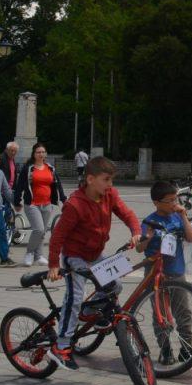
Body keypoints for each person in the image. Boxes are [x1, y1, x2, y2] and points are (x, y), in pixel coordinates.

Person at [47, 156, 142, 370]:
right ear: (90, 179)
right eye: (106, 179)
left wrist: (136, 232)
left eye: (112, 180)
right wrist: (54, 265)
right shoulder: (75, 205)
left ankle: (89, 313)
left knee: (115, 285)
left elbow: (127, 214)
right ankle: (61, 347)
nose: (110, 185)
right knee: (75, 297)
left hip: (95, 254)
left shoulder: (110, 195)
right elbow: (58, 237)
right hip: (75, 257)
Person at [139, 180, 192, 364]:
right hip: (155, 273)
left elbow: (191, 238)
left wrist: (184, 216)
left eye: (175, 199)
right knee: (159, 313)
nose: (174, 203)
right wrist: (147, 238)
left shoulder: (177, 217)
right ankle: (165, 349)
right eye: (169, 200)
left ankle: (187, 348)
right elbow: (139, 248)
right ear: (156, 202)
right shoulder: (149, 221)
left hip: (176, 272)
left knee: (183, 311)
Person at [13, 142, 67, 267]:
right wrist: (17, 201)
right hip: (32, 204)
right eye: (38, 152)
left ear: (46, 154)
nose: (41, 154)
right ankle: (29, 253)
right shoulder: (29, 169)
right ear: (34, 154)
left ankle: (39, 256)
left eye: (43, 152)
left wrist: (63, 199)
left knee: (42, 232)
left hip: (47, 204)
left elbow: (57, 184)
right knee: (39, 229)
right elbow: (20, 185)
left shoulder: (50, 168)